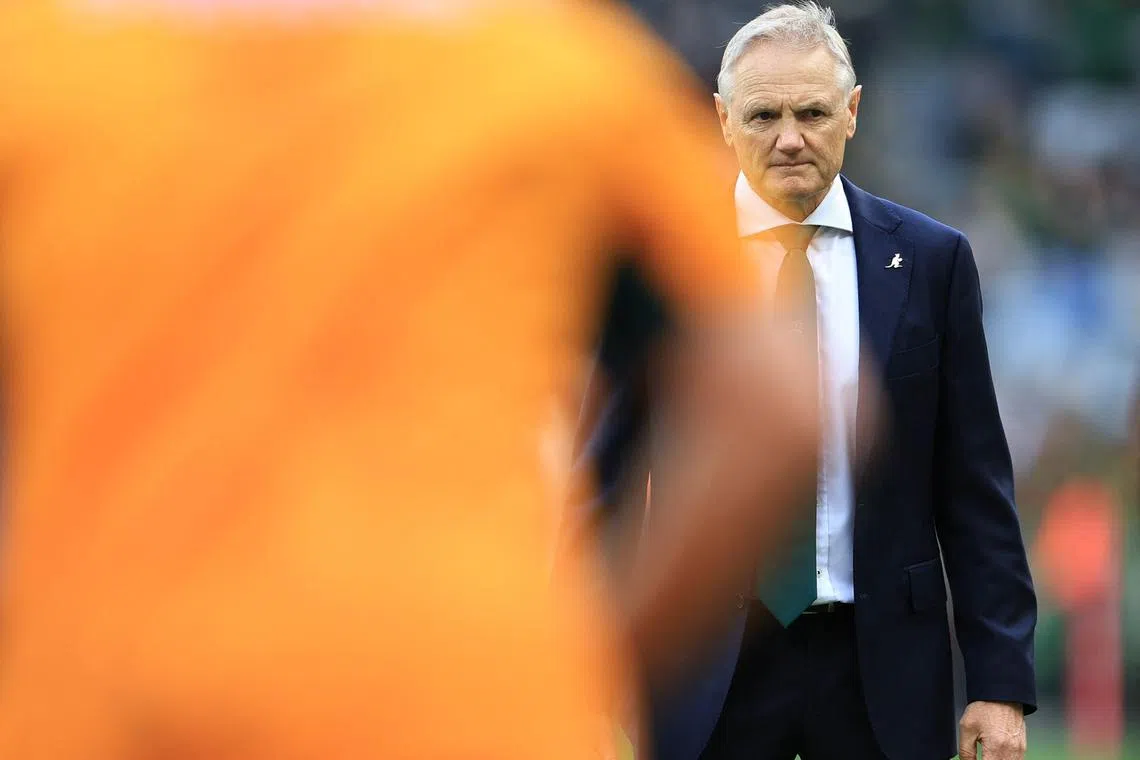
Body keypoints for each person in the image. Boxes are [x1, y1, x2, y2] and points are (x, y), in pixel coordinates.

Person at [0, 1, 826, 758]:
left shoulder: (35, 65)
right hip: (447, 696)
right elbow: (778, 401)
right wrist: (594, 661)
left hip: (98, 694)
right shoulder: (553, 68)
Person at [576, 3, 1038, 760]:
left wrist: (999, 681)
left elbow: (975, 488)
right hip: (706, 672)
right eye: (763, 116)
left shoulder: (930, 261)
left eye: (813, 112)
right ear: (722, 119)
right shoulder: (665, 262)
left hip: (880, 667)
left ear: (852, 113)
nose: (789, 138)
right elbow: (606, 479)